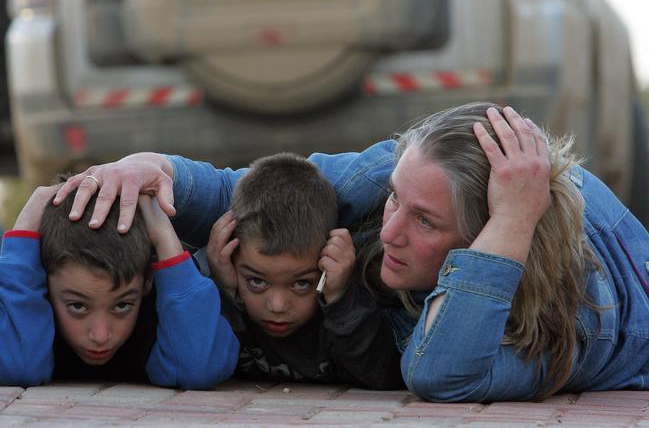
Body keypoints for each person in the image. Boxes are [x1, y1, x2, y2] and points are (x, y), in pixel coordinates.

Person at [54, 102, 649, 401]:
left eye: (423, 222)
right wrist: (147, 168)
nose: (389, 231)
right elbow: (246, 193)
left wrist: (515, 216)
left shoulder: (576, 320)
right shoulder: (401, 173)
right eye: (395, 201)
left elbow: (438, 373)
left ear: (487, 241)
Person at [0, 179, 239, 388]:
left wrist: (166, 238)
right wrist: (23, 237)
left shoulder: (167, 298)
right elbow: (18, 366)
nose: (101, 335)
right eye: (77, 306)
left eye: (122, 306)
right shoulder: (22, 294)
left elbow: (199, 369)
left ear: (147, 281)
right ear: (42, 281)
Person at [199, 152, 403, 389]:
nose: (277, 306)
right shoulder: (215, 283)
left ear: (327, 262)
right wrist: (223, 288)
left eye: (301, 284)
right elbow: (201, 364)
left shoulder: (345, 300)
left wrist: (340, 295)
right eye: (256, 281)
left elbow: (382, 376)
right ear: (232, 261)